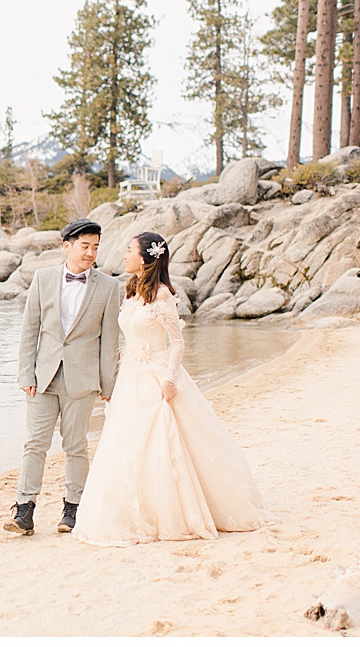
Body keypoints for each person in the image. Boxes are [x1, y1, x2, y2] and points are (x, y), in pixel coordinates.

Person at [74, 232, 275, 547]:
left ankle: (172, 511)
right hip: (130, 375)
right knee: (126, 442)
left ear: (145, 258)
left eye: (129, 251)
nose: (124, 255)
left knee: (162, 441)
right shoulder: (129, 291)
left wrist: (169, 380)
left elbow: (177, 343)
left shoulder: (163, 295)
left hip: (156, 374)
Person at [6, 218, 123, 536]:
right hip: (42, 376)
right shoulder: (43, 279)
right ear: (67, 246)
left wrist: (107, 384)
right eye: (84, 246)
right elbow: (30, 329)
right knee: (35, 443)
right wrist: (25, 372)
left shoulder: (110, 287)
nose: (90, 253)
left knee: (76, 445)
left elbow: (110, 339)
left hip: (83, 380)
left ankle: (73, 508)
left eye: (95, 247)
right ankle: (24, 510)